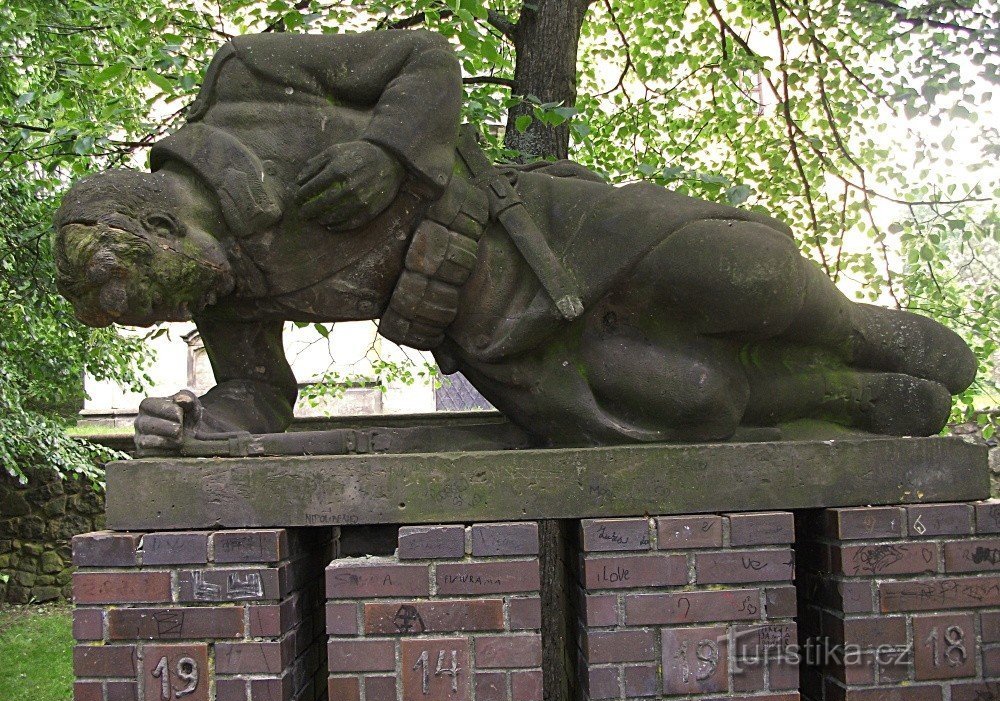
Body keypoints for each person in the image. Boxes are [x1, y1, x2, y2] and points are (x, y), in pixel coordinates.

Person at [53, 30, 976, 450]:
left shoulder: (251, 80)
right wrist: (195, 421)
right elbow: (259, 395)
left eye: (169, 297)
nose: (190, 314)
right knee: (694, 404)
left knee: (747, 275)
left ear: (162, 223)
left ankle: (852, 329)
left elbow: (427, 59)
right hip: (493, 333)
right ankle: (851, 394)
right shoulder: (223, 286)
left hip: (530, 222)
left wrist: (384, 149)